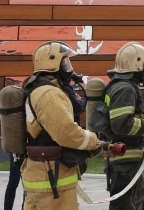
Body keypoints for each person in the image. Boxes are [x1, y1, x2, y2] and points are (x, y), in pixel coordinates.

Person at [20, 41, 103, 209]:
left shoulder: (37, 89)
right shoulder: (49, 93)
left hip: (41, 175)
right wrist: (94, 141)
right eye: (65, 62)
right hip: (53, 180)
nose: (69, 67)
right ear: (53, 63)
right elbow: (67, 133)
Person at [105, 42, 144, 210]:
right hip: (125, 162)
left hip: (128, 160)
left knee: (133, 204)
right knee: (126, 205)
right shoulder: (125, 89)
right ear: (136, 64)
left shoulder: (122, 86)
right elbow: (120, 125)